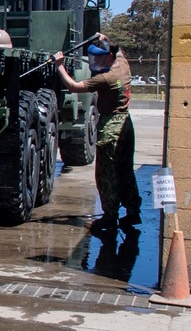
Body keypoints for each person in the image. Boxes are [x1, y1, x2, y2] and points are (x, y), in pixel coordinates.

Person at [53, 37, 142, 231]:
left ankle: (110, 217)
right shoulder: (123, 64)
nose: (98, 62)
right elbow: (119, 51)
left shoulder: (106, 78)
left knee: (106, 174)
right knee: (126, 170)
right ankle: (133, 212)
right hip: (126, 124)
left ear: (109, 56)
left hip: (111, 126)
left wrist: (59, 66)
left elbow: (73, 87)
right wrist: (104, 38)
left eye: (101, 59)